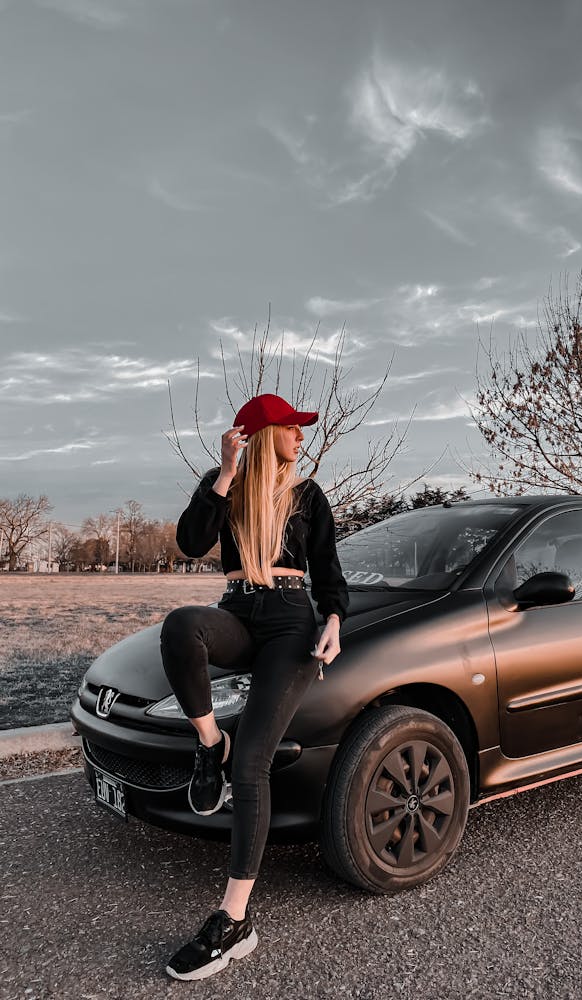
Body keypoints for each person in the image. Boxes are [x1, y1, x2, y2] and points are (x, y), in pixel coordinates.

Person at [160, 392, 349, 982]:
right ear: (269, 434)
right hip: (239, 613)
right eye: (293, 429)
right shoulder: (231, 490)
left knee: (252, 767)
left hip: (291, 624)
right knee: (182, 627)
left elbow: (328, 571)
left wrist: (335, 621)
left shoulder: (308, 497)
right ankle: (208, 741)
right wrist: (223, 473)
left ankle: (234, 919)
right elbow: (190, 543)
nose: (301, 438)